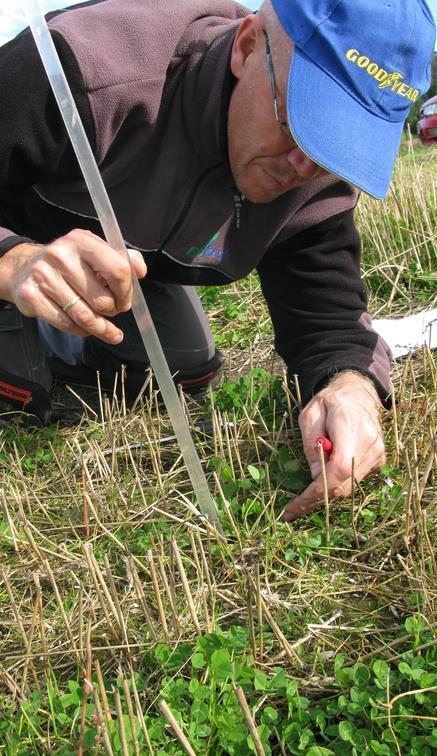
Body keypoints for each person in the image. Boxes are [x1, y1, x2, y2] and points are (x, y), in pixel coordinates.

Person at [0, 0, 434, 520]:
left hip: (126, 268)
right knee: (17, 391)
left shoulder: (316, 177)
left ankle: (58, 338)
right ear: (249, 46)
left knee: (184, 369)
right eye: (299, 124)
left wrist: (351, 387)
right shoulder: (81, 70)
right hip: (18, 244)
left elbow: (327, 317)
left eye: (336, 146)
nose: (304, 167)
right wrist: (16, 260)